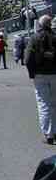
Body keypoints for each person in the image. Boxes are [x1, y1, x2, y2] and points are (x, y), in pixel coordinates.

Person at [24, 14, 56, 145]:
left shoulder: (35, 37)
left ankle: (48, 133)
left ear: (40, 24)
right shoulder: (55, 36)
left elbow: (28, 58)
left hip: (40, 74)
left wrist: (32, 73)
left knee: (44, 104)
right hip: (54, 73)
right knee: (54, 103)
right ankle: (54, 130)